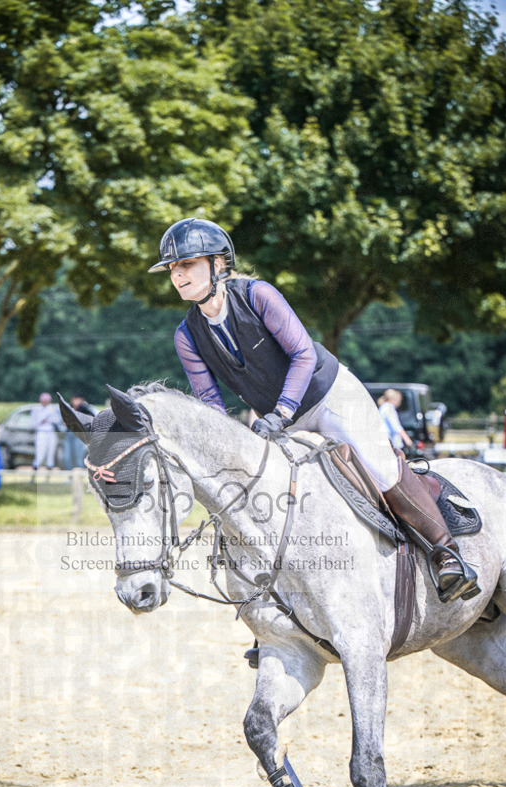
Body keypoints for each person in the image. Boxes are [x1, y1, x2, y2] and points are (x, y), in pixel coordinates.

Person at [148, 217, 478, 602]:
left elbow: (303, 354)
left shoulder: (258, 295)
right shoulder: (187, 334)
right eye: (172, 268)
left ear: (218, 264)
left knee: (377, 465)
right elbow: (211, 405)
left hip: (328, 395)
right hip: (277, 419)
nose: (177, 274)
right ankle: (283, 608)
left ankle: (446, 553)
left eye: (186, 264)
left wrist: (282, 412)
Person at [61, 393, 97, 472]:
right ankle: (69, 474)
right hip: (69, 432)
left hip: (79, 433)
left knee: (79, 455)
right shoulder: (69, 407)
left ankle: (78, 474)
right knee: (67, 455)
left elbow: (92, 417)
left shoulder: (84, 408)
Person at [30, 392, 61, 477]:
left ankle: (48, 476)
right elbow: (32, 423)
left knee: (50, 453)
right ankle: (34, 474)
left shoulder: (52, 409)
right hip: (41, 432)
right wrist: (41, 421)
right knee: (40, 453)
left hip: (51, 432)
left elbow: (57, 421)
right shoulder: (36, 410)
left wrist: (51, 418)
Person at [377, 389, 414, 453]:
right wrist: (407, 439)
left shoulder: (383, 407)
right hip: (391, 442)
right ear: (394, 399)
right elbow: (396, 426)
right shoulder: (389, 408)